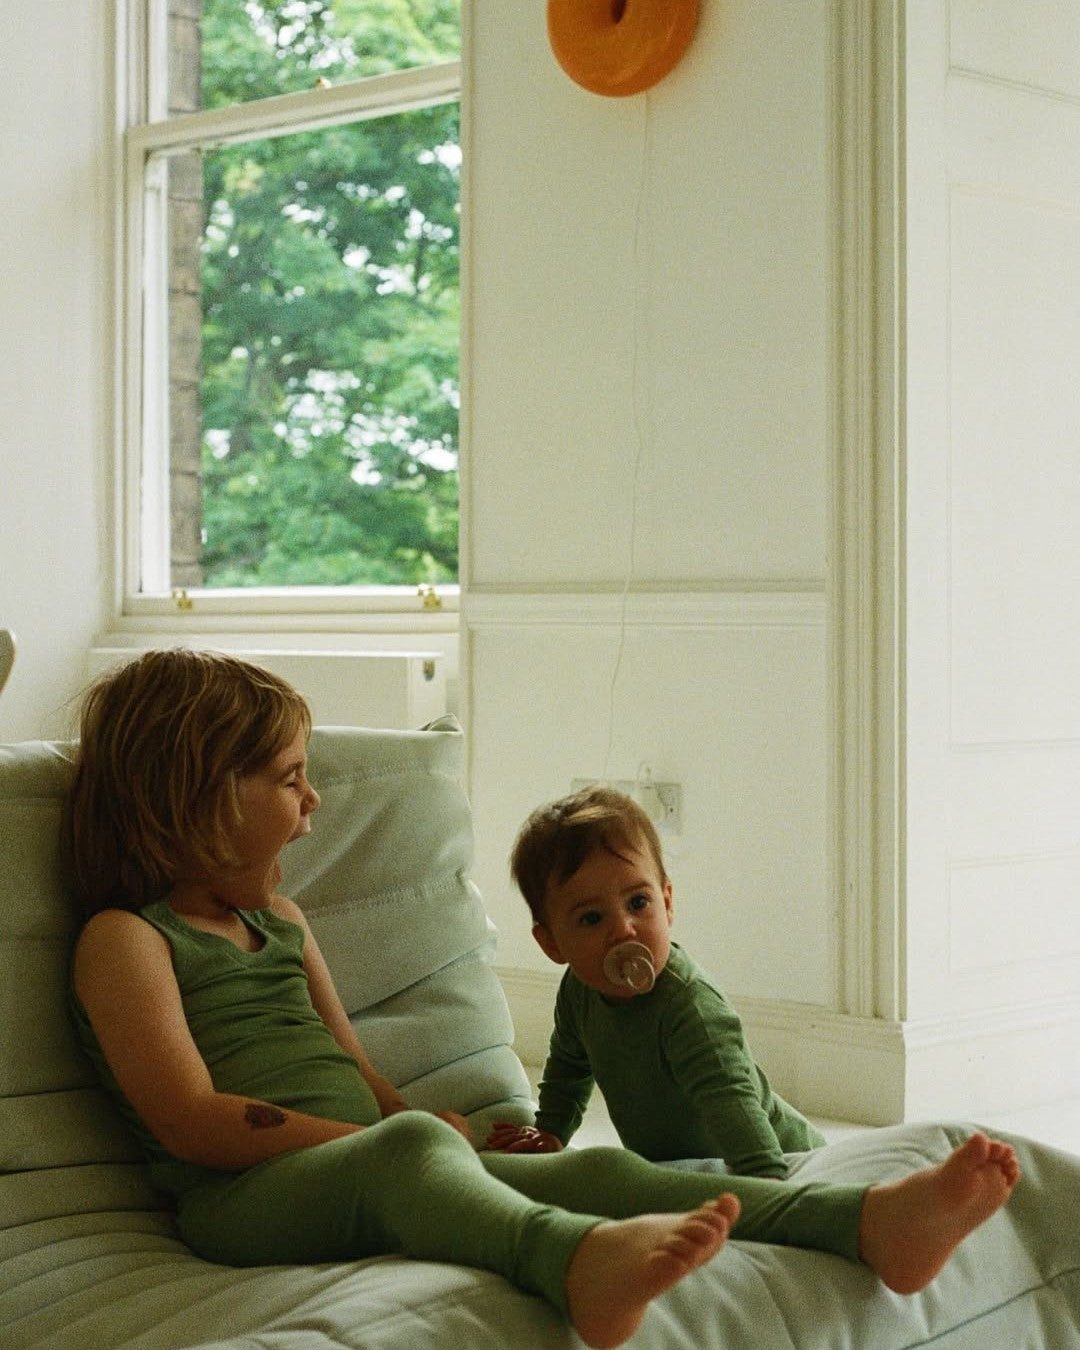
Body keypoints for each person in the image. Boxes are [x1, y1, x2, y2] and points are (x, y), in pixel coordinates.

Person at [67, 650, 1020, 1350]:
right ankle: (570, 1264)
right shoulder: (127, 939)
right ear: (197, 795)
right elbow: (193, 1122)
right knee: (416, 1153)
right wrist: (395, 1139)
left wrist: (441, 1127)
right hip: (243, 1203)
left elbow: (356, 1071)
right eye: (288, 780)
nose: (314, 804)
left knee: (590, 1170)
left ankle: (865, 1222)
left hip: (375, 1161)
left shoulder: (281, 917)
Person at [487, 785, 825, 1175]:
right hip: (680, 1168)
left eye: (637, 903)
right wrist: (550, 1131)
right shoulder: (579, 991)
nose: (623, 930)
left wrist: (766, 1183)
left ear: (667, 903)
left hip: (778, 1157)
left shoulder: (690, 1008)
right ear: (551, 944)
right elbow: (569, 1067)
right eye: (592, 918)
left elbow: (731, 1102)